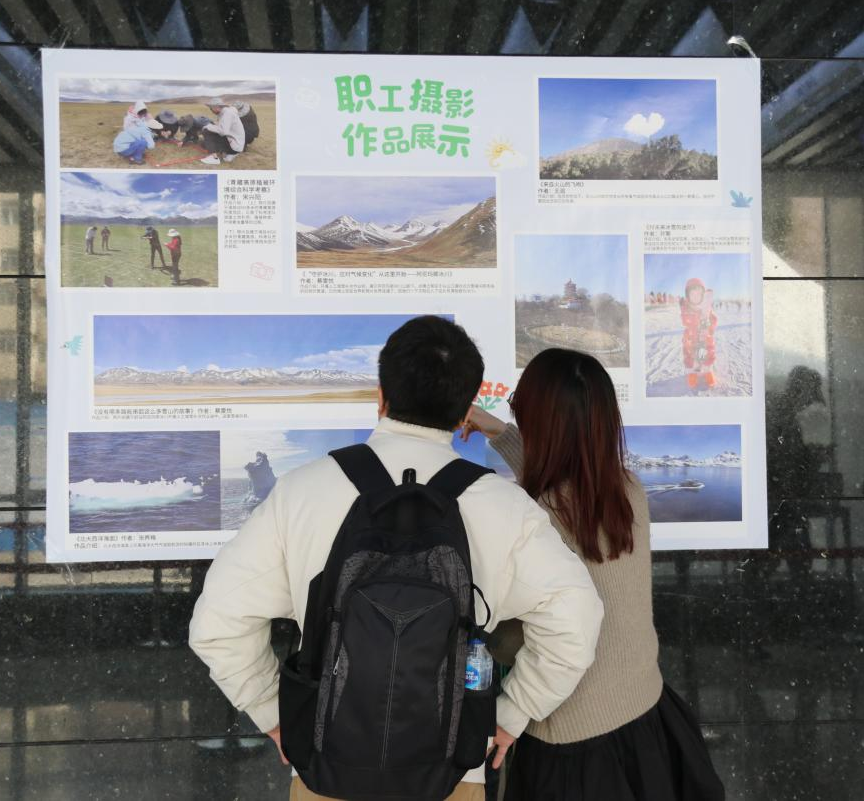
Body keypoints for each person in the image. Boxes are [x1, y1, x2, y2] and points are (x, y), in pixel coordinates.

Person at [190, 317, 604, 801]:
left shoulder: (301, 491)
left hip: (327, 765)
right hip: (450, 773)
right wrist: (511, 715)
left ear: (381, 397)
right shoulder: (506, 506)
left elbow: (216, 624)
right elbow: (577, 620)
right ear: (464, 413)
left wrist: (275, 714)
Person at [463, 348, 724, 801]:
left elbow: (534, 637)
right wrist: (498, 430)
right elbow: (562, 477)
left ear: (542, 425)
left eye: (520, 409)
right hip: (644, 712)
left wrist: (508, 709)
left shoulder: (535, 517)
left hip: (571, 740)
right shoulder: (627, 489)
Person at [680, 277, 717, 391]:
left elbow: (714, 322)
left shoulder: (706, 309)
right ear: (688, 296)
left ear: (702, 296)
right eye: (693, 294)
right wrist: (693, 315)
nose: (696, 297)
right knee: (690, 357)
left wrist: (708, 320)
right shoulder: (686, 310)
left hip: (704, 338)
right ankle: (693, 373)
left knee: (707, 354)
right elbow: (685, 320)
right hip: (691, 338)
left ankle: (708, 371)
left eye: (698, 294)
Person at [199, 97, 246, 164]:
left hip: (234, 145)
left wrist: (209, 127)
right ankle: (230, 153)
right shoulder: (225, 112)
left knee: (207, 131)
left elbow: (223, 131)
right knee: (204, 143)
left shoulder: (227, 113)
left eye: (211, 108)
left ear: (216, 107)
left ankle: (214, 158)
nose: (211, 110)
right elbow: (222, 127)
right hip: (236, 143)